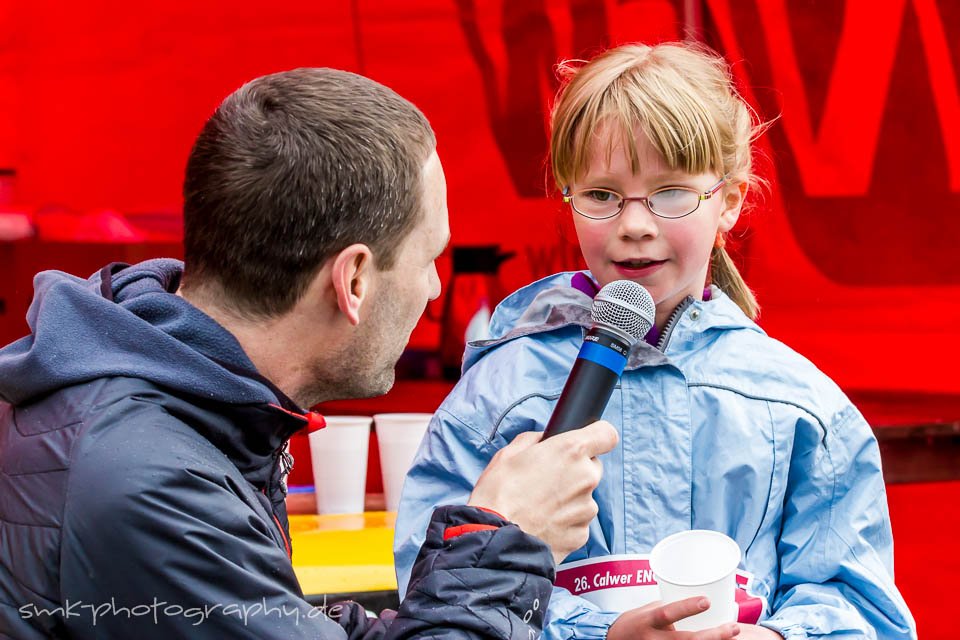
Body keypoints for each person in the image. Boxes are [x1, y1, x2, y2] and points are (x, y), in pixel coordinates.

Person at [0, 68, 648, 640]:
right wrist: (503, 541)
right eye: (429, 260)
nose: (435, 289)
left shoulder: (184, 405)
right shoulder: (143, 482)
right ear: (354, 281)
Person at [394, 42, 918, 639]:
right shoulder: (498, 394)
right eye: (601, 196)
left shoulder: (802, 406)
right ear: (568, 198)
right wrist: (601, 636)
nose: (635, 224)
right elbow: (436, 588)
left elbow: (860, 604)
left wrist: (775, 637)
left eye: (671, 194)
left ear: (730, 201)